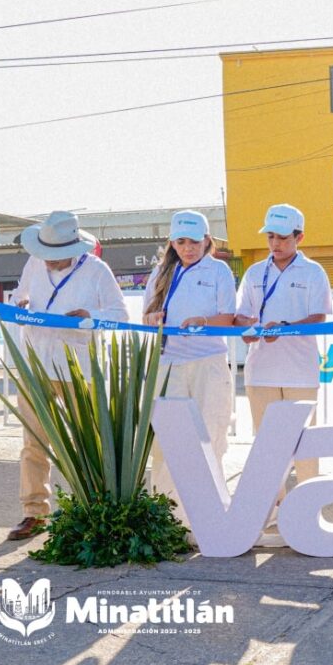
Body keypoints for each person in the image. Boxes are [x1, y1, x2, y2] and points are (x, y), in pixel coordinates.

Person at [2, 211, 128, 540]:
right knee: (33, 442)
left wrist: (91, 315)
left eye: (55, 256)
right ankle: (34, 512)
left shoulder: (97, 271)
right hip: (37, 364)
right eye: (45, 254)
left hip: (79, 367)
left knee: (87, 440)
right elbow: (19, 297)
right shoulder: (34, 263)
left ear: (74, 249)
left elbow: (120, 314)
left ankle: (93, 509)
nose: (49, 261)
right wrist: (21, 303)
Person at [142, 210, 236, 519]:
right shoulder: (159, 274)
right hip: (169, 365)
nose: (188, 248)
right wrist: (154, 318)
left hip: (208, 363)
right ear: (172, 243)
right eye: (181, 242)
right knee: (168, 445)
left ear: (207, 240)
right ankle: (169, 520)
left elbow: (228, 318)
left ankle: (210, 518)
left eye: (195, 241)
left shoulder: (219, 271)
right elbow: (147, 316)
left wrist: (204, 321)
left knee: (211, 438)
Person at [235, 204, 332, 488]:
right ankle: (270, 510)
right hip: (261, 372)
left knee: (305, 447)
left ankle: (309, 509)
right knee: (266, 448)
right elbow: (241, 315)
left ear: (299, 238)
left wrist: (286, 329)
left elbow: (319, 317)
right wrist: (247, 329)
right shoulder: (254, 272)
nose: (275, 243)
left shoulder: (314, 272)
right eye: (270, 237)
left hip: (300, 372)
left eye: (283, 237)